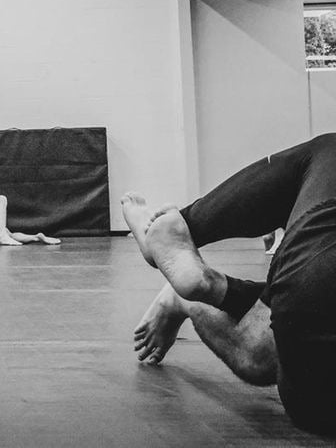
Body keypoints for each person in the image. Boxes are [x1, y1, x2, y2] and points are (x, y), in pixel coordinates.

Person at [122, 134, 336, 436]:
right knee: (292, 313)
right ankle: (205, 285)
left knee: (331, 149)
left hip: (313, 393)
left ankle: (185, 230)